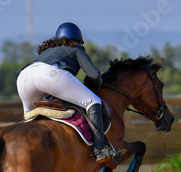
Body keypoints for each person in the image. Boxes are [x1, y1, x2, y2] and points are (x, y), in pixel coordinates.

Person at [16, 22, 121, 164]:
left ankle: (21, 154)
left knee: (29, 118)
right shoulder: (76, 48)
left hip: (24, 76)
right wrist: (97, 86)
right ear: (77, 39)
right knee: (93, 101)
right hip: (49, 74)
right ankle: (100, 150)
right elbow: (94, 75)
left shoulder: (48, 51)